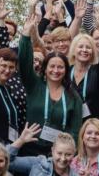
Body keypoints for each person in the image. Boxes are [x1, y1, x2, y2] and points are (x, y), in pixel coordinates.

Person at [18, 14, 83, 156]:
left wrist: (68, 153)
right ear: (45, 69)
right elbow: (24, 61)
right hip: (29, 149)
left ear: (66, 70)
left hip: (58, 155)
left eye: (60, 67)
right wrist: (26, 36)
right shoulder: (34, 85)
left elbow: (75, 130)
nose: (56, 70)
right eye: (52, 66)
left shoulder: (73, 97)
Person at [67, 9, 99, 120]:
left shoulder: (97, 71)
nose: (84, 50)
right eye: (80, 47)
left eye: (88, 47)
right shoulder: (66, 71)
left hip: (92, 123)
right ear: (73, 50)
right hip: (68, 122)